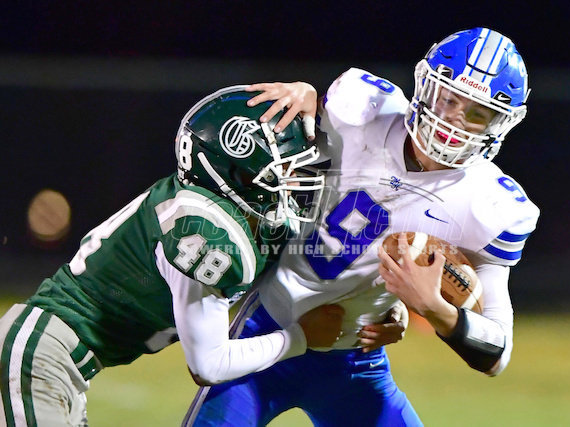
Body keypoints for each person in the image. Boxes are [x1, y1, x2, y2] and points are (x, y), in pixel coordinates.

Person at [184, 27, 540, 426]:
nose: (454, 120)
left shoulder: (492, 205)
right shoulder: (361, 108)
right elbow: (277, 146)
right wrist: (304, 98)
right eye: (449, 99)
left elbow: (497, 352)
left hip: (356, 361)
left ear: (500, 124)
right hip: (265, 333)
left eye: (476, 113)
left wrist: (434, 309)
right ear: (426, 86)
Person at [0, 86, 346, 426]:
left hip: (56, 360)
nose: (295, 178)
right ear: (240, 170)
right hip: (40, 355)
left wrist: (315, 100)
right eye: (284, 168)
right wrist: (300, 338)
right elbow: (209, 365)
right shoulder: (201, 232)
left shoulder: (234, 214)